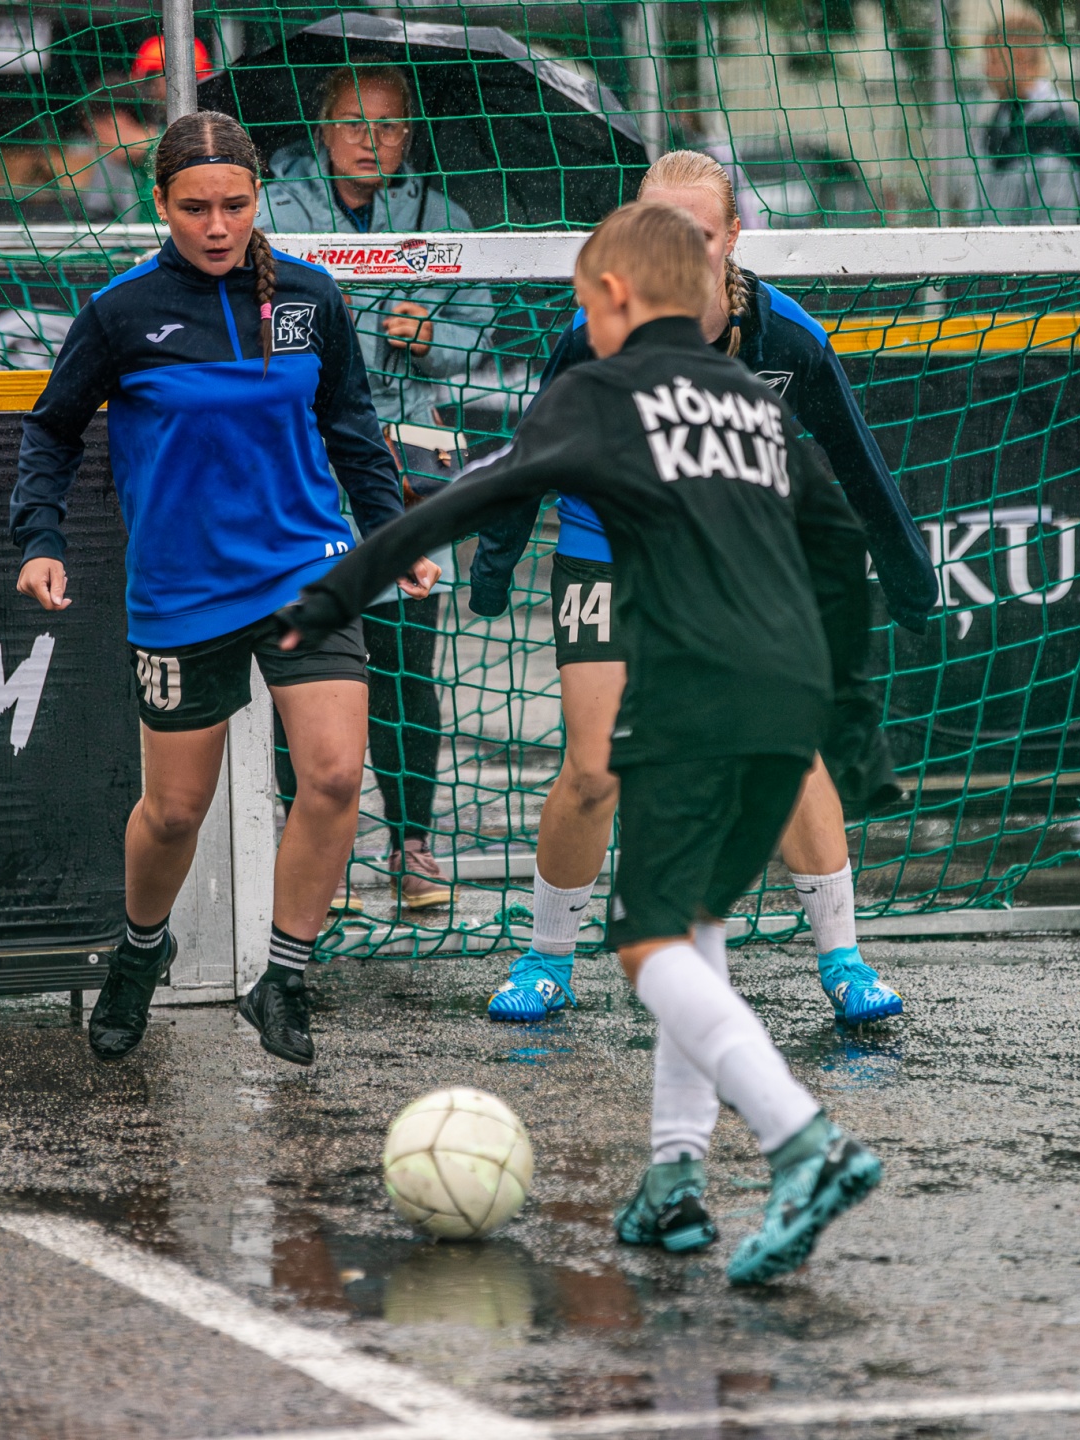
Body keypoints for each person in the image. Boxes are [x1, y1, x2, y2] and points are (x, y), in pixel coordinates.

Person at [271, 200, 885, 1285]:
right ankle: (674, 1180)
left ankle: (803, 1141)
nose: (582, 327)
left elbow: (476, 492)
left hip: (693, 690)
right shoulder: (751, 399)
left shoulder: (603, 391)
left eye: (582, 306)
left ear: (613, 298)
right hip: (785, 695)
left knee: (647, 944)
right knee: (691, 930)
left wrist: (336, 594)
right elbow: (839, 544)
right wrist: (857, 721)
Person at [468, 150, 939, 1026]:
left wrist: (909, 576)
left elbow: (855, 462)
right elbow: (535, 453)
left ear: (731, 238)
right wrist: (495, 566)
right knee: (595, 768)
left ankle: (844, 961)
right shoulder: (596, 330)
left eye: (695, 232)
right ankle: (547, 958)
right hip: (608, 544)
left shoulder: (787, 340)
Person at [10, 111, 436, 1068]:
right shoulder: (121, 312)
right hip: (181, 589)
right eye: (195, 207)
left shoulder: (312, 299)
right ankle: (141, 949)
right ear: (161, 203)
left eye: (235, 206)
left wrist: (393, 533)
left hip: (305, 565)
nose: (217, 226)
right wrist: (39, 540)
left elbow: (352, 427)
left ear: (258, 200)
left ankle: (283, 976)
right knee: (174, 812)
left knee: (334, 774)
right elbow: (51, 431)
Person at [259, 66, 493, 910]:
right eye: (354, 122)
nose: (371, 140)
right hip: (304, 468)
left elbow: (475, 332)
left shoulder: (445, 219)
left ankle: (413, 847)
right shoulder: (271, 211)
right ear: (322, 127)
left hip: (409, 465)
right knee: (305, 664)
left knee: (406, 666)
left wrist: (431, 337)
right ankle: (310, 853)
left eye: (389, 126)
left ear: (409, 136)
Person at [966, 5, 1080, 226]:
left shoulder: (1062, 124)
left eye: (993, 60)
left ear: (1020, 58)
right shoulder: (994, 118)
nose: (986, 71)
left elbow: (1057, 218)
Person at [60, 82, 158, 224]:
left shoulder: (161, 168)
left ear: (115, 122)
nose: (96, 145)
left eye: (94, 133)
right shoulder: (145, 166)